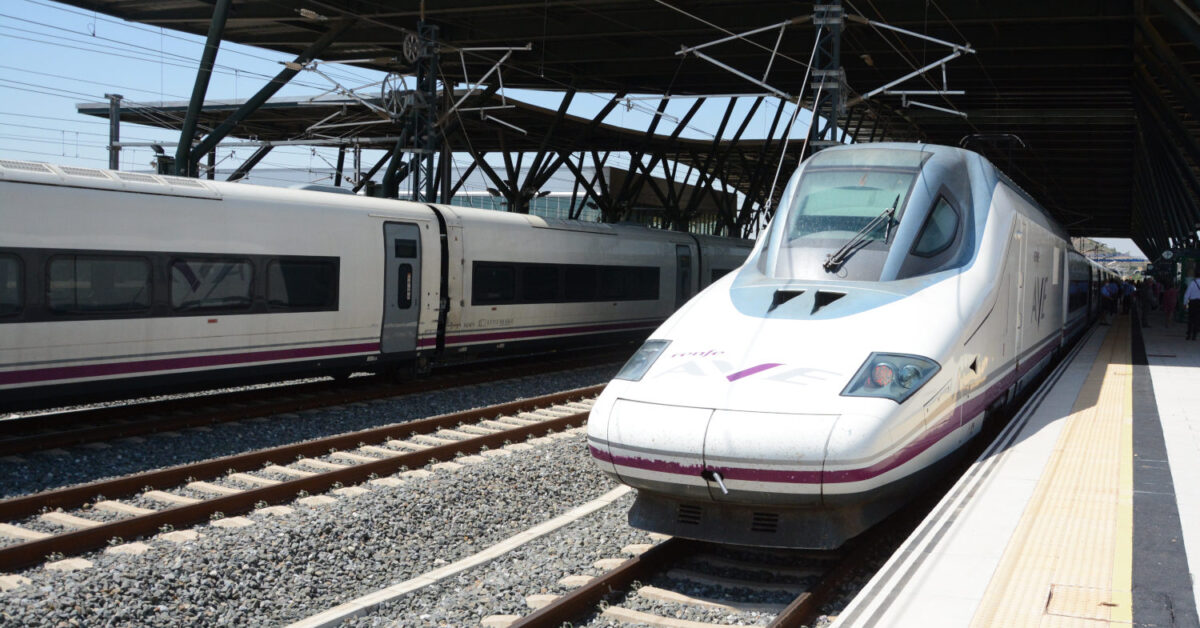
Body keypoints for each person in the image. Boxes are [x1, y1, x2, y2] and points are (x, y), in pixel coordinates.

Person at [1186, 274, 1200, 341]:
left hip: (1192, 302)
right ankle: (1194, 336)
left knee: (1190, 318)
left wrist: (1185, 302)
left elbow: (1187, 293)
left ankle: (1189, 334)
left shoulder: (1192, 283)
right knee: (1197, 319)